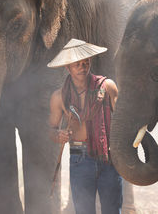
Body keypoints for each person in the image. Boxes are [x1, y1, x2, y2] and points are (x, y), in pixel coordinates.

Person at [47, 38, 122, 214]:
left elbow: (120, 122)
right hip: (79, 157)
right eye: (77, 64)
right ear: (68, 67)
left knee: (112, 210)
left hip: (109, 155)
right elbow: (50, 130)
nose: (82, 67)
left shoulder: (107, 87)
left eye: (85, 63)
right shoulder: (59, 97)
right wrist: (58, 135)